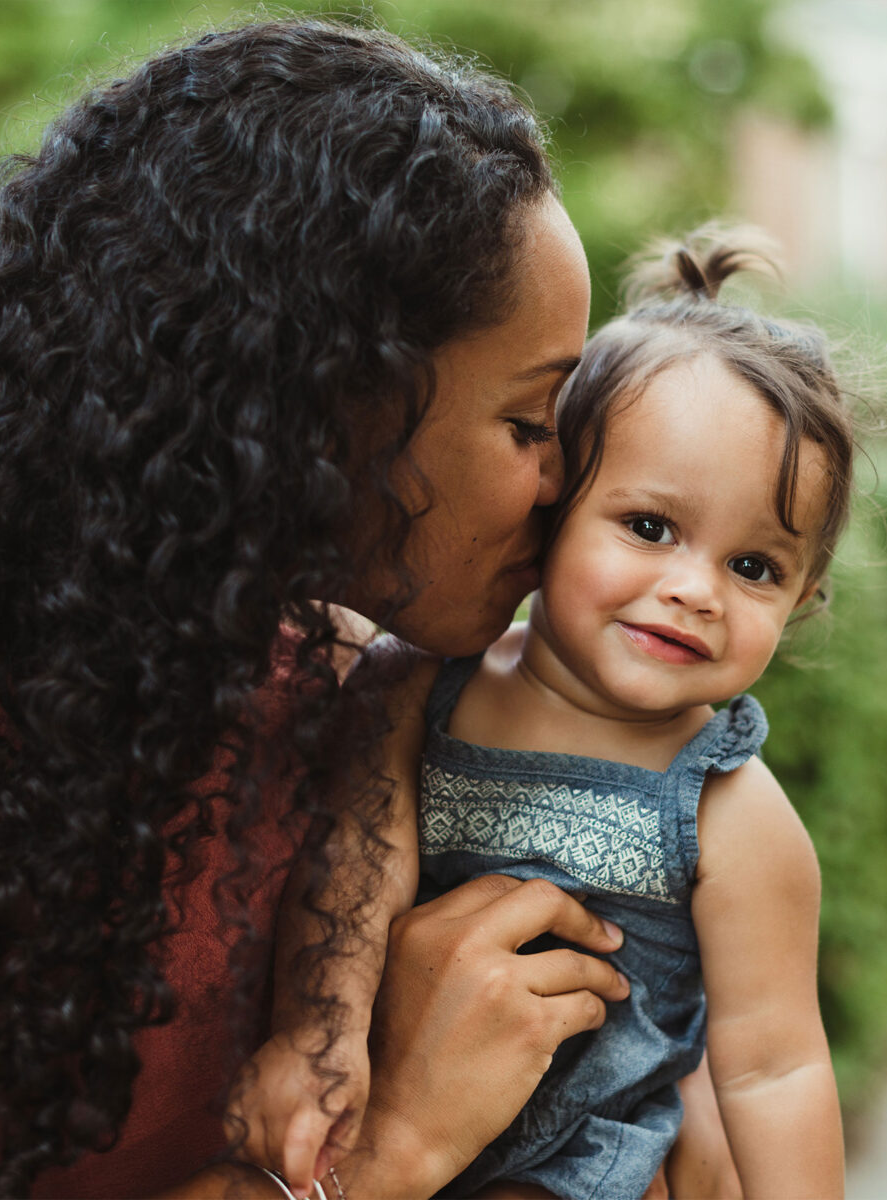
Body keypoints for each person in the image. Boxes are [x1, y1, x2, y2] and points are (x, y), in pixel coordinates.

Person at [0, 20, 733, 1198]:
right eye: (534, 425)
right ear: (322, 400)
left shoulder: (341, 689)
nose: (570, 490)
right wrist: (393, 1151)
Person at [231, 228, 851, 1199]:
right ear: (555, 507)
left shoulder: (729, 808)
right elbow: (356, 856)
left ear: (803, 597)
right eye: (650, 528)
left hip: (585, 1173)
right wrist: (319, 1036)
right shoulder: (418, 683)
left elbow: (776, 1067)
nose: (696, 589)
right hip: (384, 1135)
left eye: (754, 566)